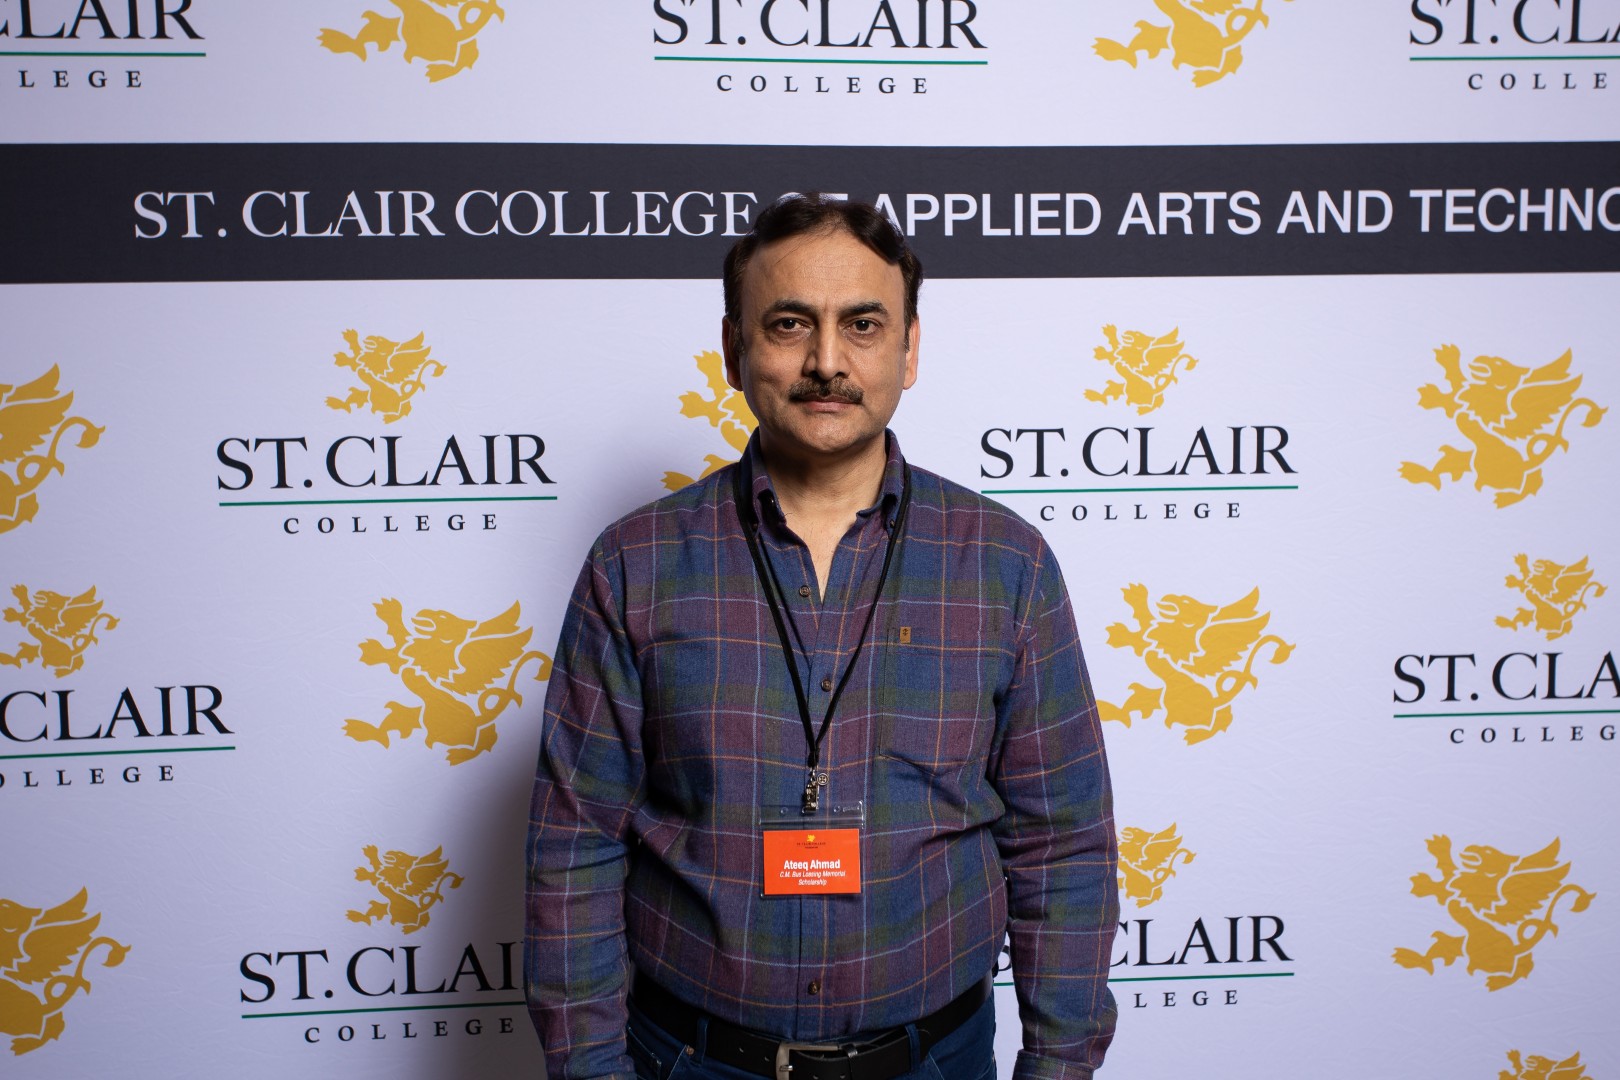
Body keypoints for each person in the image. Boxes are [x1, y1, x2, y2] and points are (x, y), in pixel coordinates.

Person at [525, 193, 1117, 1080]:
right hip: (691, 1061)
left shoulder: (1007, 563)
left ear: (909, 350)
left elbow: (1063, 844)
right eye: (790, 323)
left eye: (863, 325)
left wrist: (1060, 1067)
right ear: (735, 349)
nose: (827, 362)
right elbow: (573, 847)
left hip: (935, 1061)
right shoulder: (633, 564)